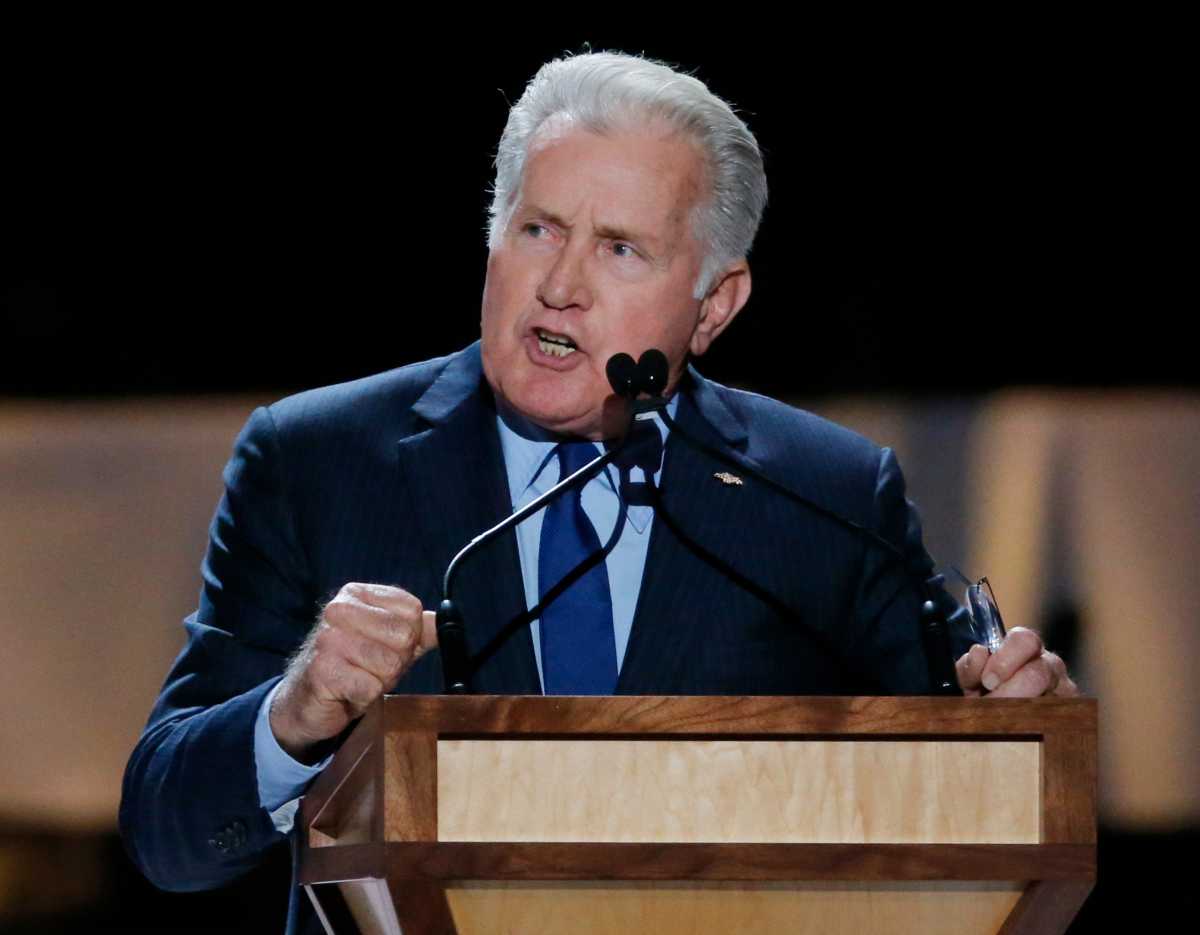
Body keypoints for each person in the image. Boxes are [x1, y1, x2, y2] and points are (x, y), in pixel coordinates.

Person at [120, 52, 1077, 934]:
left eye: (621, 248)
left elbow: (972, 800)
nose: (561, 285)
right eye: (538, 229)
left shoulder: (822, 496)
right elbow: (165, 829)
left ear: (713, 305)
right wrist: (290, 717)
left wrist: (1017, 727)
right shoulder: (317, 461)